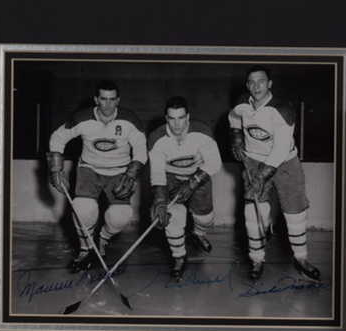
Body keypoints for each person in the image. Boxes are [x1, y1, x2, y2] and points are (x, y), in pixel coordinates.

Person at [229, 65, 320, 283]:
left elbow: (279, 150)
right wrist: (237, 138)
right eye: (251, 82)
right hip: (253, 160)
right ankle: (257, 259)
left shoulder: (283, 109)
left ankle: (301, 259)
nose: (256, 86)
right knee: (253, 215)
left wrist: (261, 178)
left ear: (270, 84)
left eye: (261, 81)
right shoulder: (242, 104)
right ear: (247, 84)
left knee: (295, 214)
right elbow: (233, 119)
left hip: (285, 161)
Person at [46, 80, 147, 273]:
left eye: (112, 99)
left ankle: (103, 239)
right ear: (96, 99)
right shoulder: (82, 118)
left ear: (118, 99)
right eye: (103, 99)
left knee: (121, 217)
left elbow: (141, 150)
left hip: (120, 171)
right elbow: (58, 138)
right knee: (83, 209)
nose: (108, 105)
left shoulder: (129, 119)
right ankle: (86, 250)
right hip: (89, 168)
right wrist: (56, 169)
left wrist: (131, 175)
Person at [147, 96, 223, 281]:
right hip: (170, 177)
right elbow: (157, 172)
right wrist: (160, 200)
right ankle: (179, 257)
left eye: (181, 118)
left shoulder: (202, 132)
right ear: (166, 118)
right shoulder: (156, 138)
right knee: (172, 217)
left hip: (198, 173)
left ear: (187, 117)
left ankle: (199, 232)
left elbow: (214, 163)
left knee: (205, 217)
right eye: (172, 118)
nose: (177, 124)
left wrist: (193, 183)